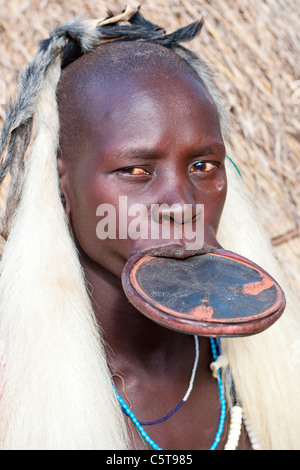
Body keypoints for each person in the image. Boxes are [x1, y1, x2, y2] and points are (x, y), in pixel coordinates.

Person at [0, 5, 299, 450]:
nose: (182, 205)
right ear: (60, 183)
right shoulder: (13, 395)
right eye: (137, 172)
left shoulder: (274, 369)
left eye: (203, 165)